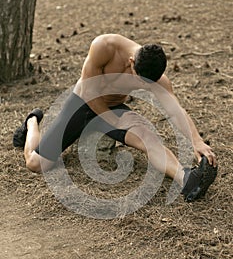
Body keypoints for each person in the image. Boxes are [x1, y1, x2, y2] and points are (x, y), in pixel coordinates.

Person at [13, 34, 217, 202]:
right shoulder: (104, 47)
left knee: (149, 138)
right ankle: (32, 121)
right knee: (36, 163)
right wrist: (115, 121)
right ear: (131, 62)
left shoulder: (157, 78)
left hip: (112, 108)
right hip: (81, 104)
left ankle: (187, 179)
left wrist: (196, 141)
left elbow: (175, 111)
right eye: (139, 80)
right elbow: (88, 91)